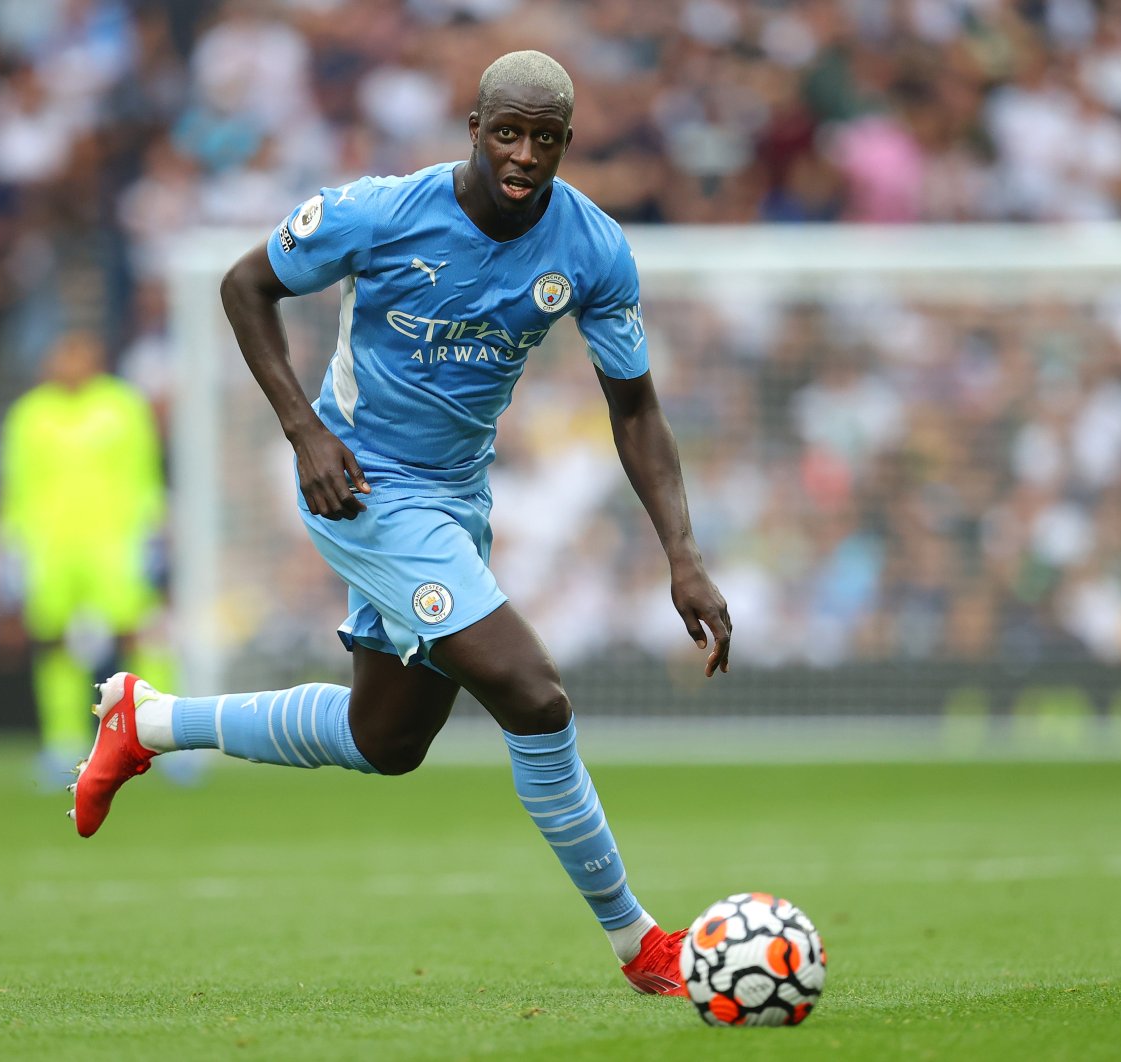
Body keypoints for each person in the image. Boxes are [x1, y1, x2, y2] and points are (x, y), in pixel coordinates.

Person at [68, 51, 732, 996]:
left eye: (546, 139)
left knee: (388, 741)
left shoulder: (592, 249)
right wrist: (304, 432)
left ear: (567, 145)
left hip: (457, 499)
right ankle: (641, 943)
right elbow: (242, 285)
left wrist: (683, 556)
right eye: (508, 131)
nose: (524, 155)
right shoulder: (380, 211)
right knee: (535, 698)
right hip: (363, 487)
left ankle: (149, 721)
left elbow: (635, 411)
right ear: (473, 126)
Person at [0, 331, 177, 778]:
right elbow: (17, 484)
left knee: (140, 634)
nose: (70, 363)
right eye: (62, 354)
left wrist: (151, 532)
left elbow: (144, 474)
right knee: (53, 642)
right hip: (50, 548)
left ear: (95, 358)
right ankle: (63, 744)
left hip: (114, 544)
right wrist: (12, 541)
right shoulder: (28, 414)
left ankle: (165, 734)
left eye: (79, 353)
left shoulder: (122, 405)